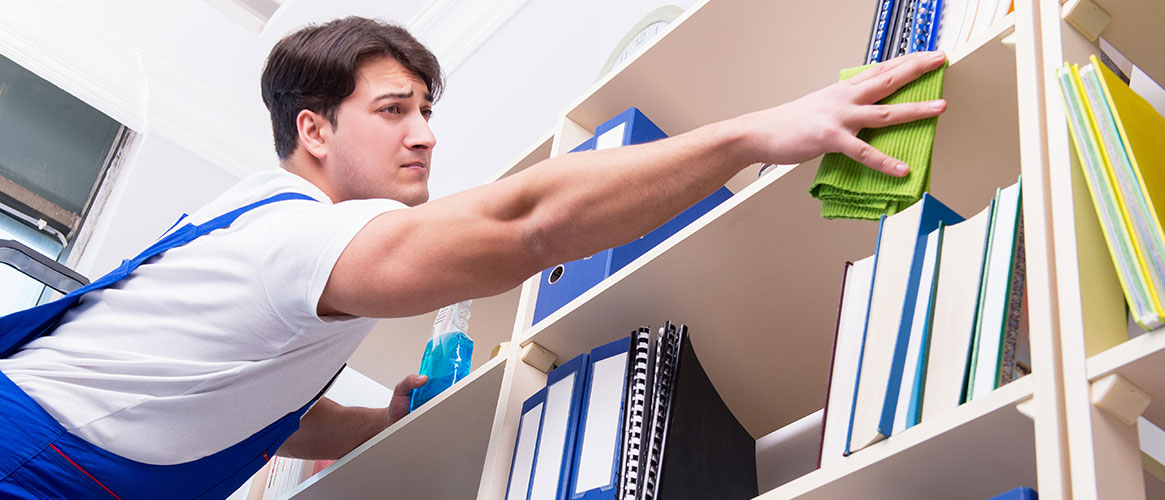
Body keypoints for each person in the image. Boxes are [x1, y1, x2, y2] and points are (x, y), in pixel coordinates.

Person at [0, 15, 947, 499]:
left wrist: (380, 422)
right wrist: (754, 135)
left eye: (427, 113)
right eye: (393, 111)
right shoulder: (291, 236)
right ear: (314, 131)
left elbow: (265, 414)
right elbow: (524, 230)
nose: (423, 136)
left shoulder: (277, 250)